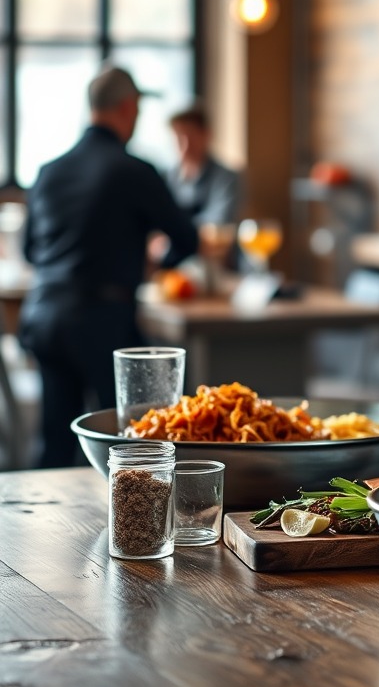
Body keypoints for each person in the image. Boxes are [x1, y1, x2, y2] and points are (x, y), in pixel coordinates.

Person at [19, 66, 199, 468]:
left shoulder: (48, 172)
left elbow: (30, 251)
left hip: (44, 317)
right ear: (127, 107)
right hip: (101, 322)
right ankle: (132, 527)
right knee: (130, 445)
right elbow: (186, 238)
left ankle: (45, 530)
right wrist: (155, 264)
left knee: (55, 442)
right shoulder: (133, 170)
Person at [164, 99, 241, 228]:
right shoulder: (167, 177)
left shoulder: (227, 178)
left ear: (207, 135)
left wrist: (175, 231)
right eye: (179, 138)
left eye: (191, 137)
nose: (186, 146)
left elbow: (219, 222)